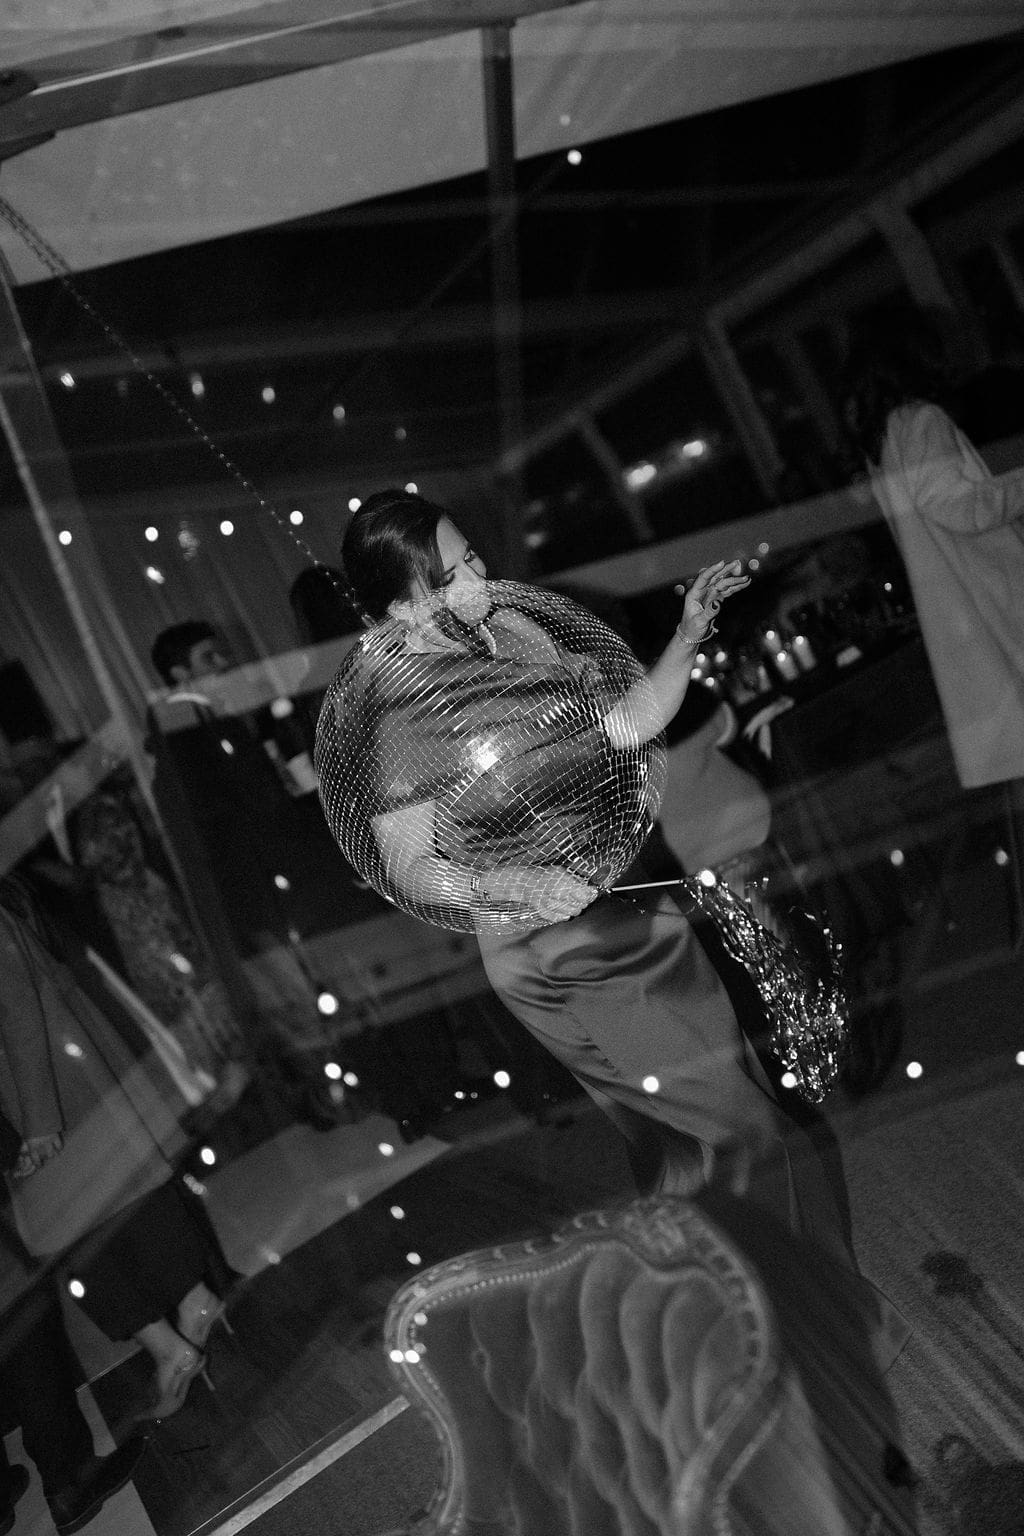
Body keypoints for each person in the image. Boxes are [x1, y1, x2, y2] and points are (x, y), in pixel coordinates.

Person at [320, 490, 910, 1367]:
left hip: (629, 902)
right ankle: (811, 1325)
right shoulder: (403, 714)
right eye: (452, 575)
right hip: (552, 947)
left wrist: (687, 634)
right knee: (733, 1133)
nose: (481, 579)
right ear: (401, 606)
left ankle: (743, 1331)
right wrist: (518, 880)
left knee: (700, 1134)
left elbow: (627, 725)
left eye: (473, 557)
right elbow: (410, 866)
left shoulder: (517, 639)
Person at [0, 880, 233, 1422]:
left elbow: (18, 1013)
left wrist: (38, 1123)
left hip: (48, 1096)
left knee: (73, 1233)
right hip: (68, 1091)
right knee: (115, 1213)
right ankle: (187, 1315)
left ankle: (173, 1342)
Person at [843, 306, 1024, 791]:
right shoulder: (919, 421)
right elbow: (961, 509)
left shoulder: (886, 435)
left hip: (969, 604)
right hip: (996, 592)